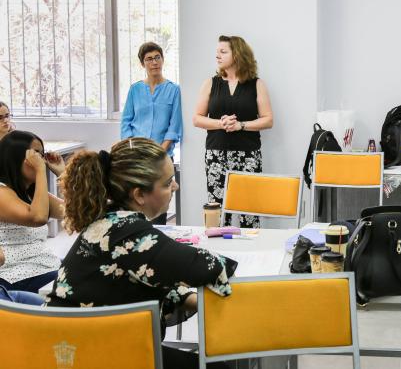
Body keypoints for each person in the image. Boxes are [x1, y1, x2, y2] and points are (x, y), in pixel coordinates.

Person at [45, 138, 236, 369]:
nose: (175, 187)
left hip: (74, 349)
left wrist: (187, 297)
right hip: (92, 355)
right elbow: (207, 266)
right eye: (167, 183)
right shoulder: (129, 233)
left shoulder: (111, 221)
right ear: (139, 195)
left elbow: (141, 277)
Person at [193, 35, 273, 228]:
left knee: (249, 212)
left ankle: (253, 247)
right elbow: (197, 118)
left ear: (237, 55)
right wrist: (221, 124)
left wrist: (241, 125)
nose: (217, 56)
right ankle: (217, 246)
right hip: (216, 155)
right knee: (217, 212)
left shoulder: (257, 84)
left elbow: (268, 120)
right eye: (217, 52)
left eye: (223, 52)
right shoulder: (210, 83)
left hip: (248, 155)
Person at [120, 42, 183, 225]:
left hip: (162, 157)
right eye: (149, 59)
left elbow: (174, 126)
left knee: (159, 206)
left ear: (162, 60)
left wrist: (158, 152)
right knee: (135, 203)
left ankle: (158, 237)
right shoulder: (135, 89)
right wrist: (133, 149)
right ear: (143, 64)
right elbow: (126, 122)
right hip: (136, 156)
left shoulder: (173, 90)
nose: (154, 62)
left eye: (157, 57)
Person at [0, 131, 65, 293]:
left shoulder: (30, 194)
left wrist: (62, 174)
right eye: (36, 155)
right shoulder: (1, 192)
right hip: (17, 275)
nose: (42, 160)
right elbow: (37, 217)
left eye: (43, 155)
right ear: (16, 158)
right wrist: (41, 171)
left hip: (44, 266)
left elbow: (76, 211)